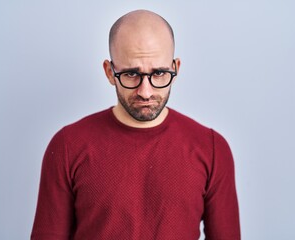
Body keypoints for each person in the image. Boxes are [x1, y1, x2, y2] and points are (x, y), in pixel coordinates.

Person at [31, 9, 240, 240]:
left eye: (159, 73)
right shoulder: (67, 146)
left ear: (176, 68)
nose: (145, 91)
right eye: (131, 74)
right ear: (110, 72)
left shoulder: (211, 149)